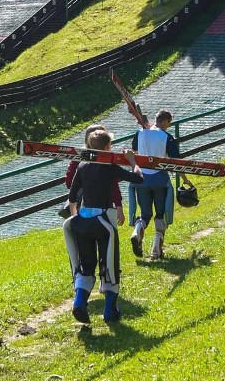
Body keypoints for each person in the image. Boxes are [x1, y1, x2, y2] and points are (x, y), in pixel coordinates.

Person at [64, 129, 143, 323]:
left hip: (82, 221)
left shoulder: (82, 166)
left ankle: (79, 302)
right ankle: (110, 311)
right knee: (110, 264)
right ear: (108, 147)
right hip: (103, 221)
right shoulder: (110, 166)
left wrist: (78, 217)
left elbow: (72, 196)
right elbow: (138, 178)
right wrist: (133, 161)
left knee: (86, 264)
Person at [128, 109, 192, 260]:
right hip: (160, 180)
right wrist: (185, 179)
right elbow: (176, 162)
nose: (169, 126)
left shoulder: (140, 133)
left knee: (145, 214)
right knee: (160, 214)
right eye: (169, 123)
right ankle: (156, 250)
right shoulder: (167, 137)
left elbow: (134, 152)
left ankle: (137, 231)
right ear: (164, 121)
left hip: (141, 179)